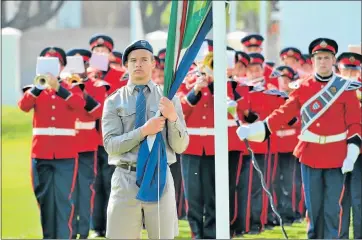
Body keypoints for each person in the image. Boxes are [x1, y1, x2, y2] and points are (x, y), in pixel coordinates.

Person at [236, 38, 361, 239]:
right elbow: (284, 113)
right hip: (309, 154)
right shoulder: (303, 87)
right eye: (319, 58)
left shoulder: (346, 88)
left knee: (332, 210)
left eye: (327, 58)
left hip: (337, 156)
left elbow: (355, 123)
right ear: (312, 61)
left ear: (334, 60)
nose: (323, 62)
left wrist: (352, 153)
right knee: (313, 210)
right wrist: (257, 129)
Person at [102, 40, 189, 239]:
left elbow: (181, 145)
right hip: (125, 177)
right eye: (133, 60)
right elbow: (111, 146)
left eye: (144, 59)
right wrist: (143, 131)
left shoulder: (168, 99)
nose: (138, 64)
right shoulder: (114, 101)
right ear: (126, 65)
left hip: (160, 178)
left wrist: (173, 117)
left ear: (153, 63)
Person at [18, 47, 85, 239]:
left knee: (63, 199)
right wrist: (38, 87)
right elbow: (23, 106)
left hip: (65, 155)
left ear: (62, 66)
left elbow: (80, 106)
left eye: (56, 63)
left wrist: (59, 88)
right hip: (41, 154)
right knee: (44, 200)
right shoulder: (36, 89)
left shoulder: (72, 87)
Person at [336, 51, 362, 239]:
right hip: (336, 150)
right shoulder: (332, 89)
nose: (351, 75)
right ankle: (340, 235)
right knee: (339, 198)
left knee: (358, 198)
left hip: (360, 152)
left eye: (354, 72)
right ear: (339, 69)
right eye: (347, 71)